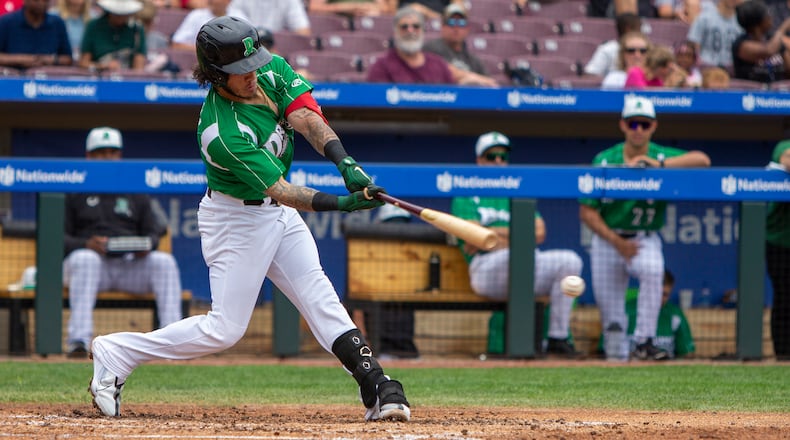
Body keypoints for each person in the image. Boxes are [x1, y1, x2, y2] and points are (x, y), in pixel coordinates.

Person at [87, 16, 411, 422]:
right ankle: (118, 352)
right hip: (235, 220)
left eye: (253, 63)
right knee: (225, 329)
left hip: (278, 218)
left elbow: (307, 117)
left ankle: (377, 385)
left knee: (319, 295)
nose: (252, 74)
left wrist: (344, 163)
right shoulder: (220, 131)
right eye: (240, 72)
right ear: (215, 75)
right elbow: (281, 190)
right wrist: (344, 204)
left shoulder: (269, 69)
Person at [579, 96, 711, 361]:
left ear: (653, 126)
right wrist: (617, 242)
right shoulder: (605, 159)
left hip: (644, 238)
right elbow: (587, 211)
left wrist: (660, 165)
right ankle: (616, 361)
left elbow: (703, 160)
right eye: (632, 124)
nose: (638, 129)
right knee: (612, 313)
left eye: (644, 124)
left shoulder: (661, 155)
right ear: (622, 125)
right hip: (609, 240)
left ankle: (643, 341)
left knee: (653, 270)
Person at [450, 131, 584, 358]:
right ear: (480, 161)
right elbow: (474, 240)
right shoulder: (467, 192)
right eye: (492, 157)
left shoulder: (515, 189)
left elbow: (539, 233)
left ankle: (557, 337)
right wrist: (518, 236)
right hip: (486, 272)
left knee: (570, 260)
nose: (499, 161)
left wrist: (493, 234)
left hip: (523, 262)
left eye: (503, 157)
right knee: (514, 256)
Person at [64, 127, 183, 358]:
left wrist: (144, 245)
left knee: (163, 262)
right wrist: (86, 244)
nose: (107, 157)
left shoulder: (134, 189)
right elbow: (56, 238)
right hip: (90, 267)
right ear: (89, 156)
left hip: (128, 265)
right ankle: (78, 341)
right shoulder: (74, 188)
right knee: (86, 259)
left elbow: (154, 233)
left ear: (120, 155)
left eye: (112, 152)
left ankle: (172, 343)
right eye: (100, 152)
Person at [596, 269, 696, 359]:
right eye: (656, 293)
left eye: (664, 294)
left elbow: (686, 353)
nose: (659, 299)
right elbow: (603, 350)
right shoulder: (624, 310)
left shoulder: (675, 315)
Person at [366, 6, 455, 84]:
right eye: (404, 27)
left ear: (423, 30)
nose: (410, 30)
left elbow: (454, 96)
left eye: (416, 26)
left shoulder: (439, 65)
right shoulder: (382, 66)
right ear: (395, 32)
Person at [422, 3, 499, 87]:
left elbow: (491, 83)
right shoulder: (432, 48)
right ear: (442, 26)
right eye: (451, 22)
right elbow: (444, 70)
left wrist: (474, 80)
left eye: (461, 22)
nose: (456, 27)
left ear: (467, 28)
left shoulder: (472, 59)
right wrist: (473, 78)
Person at [765, 139, 790, 361]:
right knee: (784, 298)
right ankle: (783, 355)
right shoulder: (784, 145)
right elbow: (787, 158)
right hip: (779, 242)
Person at [0, 0, 73, 69]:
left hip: (48, 78)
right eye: (36, 0)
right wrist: (21, 59)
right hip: (11, 77)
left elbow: (68, 59)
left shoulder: (57, 23)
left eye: (45, 0)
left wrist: (48, 60)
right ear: (25, 1)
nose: (41, 3)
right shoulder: (6, 22)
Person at [79, 0, 147, 72]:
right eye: (116, 14)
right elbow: (83, 62)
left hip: (127, 78)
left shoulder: (137, 29)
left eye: (124, 14)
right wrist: (102, 66)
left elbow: (139, 66)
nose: (120, 17)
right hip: (98, 78)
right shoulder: (93, 26)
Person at [732, 0, 790, 83]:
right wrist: (782, 29)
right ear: (758, 21)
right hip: (750, 94)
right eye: (767, 14)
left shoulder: (773, 40)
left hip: (777, 94)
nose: (771, 17)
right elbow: (768, 51)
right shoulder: (741, 44)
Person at [686, 0, 743, 70]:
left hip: (732, 69)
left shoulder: (742, 21)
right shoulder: (704, 17)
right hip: (706, 66)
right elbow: (693, 45)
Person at [584, 12, 643, 78]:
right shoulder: (608, 48)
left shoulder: (644, 47)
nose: (637, 54)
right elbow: (590, 74)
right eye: (631, 51)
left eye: (643, 51)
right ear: (628, 28)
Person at [170, 0, 247, 51]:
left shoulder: (239, 17)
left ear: (228, 1)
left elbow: (249, 43)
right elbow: (177, 44)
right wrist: (206, 52)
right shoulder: (196, 15)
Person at [227, 0, 310, 36]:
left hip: (276, 49)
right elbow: (235, 24)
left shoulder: (291, 1)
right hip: (248, 46)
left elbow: (303, 31)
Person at [308, 0, 397, 18]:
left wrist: (376, 10)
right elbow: (314, 8)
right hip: (336, 24)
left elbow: (391, 10)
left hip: (369, 22)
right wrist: (341, 8)